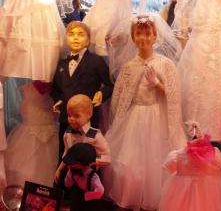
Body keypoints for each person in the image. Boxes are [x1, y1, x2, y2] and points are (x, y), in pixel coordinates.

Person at [103, 14, 186, 211]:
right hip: (134, 118)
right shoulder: (129, 66)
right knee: (131, 161)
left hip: (156, 117)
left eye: (147, 34)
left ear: (155, 36)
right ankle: (131, 196)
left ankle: (152, 198)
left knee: (154, 162)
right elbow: (120, 96)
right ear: (133, 37)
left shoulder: (165, 64)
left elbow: (174, 95)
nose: (143, 38)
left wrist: (157, 84)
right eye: (138, 34)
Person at [173, 0, 221, 138]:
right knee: (196, 89)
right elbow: (183, 18)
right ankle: (193, 133)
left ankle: (215, 136)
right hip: (201, 47)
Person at [51, 21, 113, 163]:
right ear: (66, 38)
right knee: (65, 154)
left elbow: (110, 84)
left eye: (80, 34)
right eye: (71, 34)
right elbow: (55, 88)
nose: (76, 38)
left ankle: (91, 182)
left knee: (88, 155)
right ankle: (63, 183)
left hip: (88, 119)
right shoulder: (61, 64)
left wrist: (102, 94)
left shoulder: (96, 61)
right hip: (67, 119)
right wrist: (58, 100)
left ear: (88, 40)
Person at [158, 134, 221, 211]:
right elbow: (220, 168)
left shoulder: (177, 155)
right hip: (206, 190)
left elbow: (170, 168)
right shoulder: (214, 153)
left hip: (182, 189)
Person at [5, 82, 58, 187]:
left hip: (50, 134)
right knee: (25, 169)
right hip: (28, 135)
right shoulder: (27, 89)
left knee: (48, 167)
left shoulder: (57, 88)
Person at [54, 94, 110, 184]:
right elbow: (67, 153)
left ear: (89, 115)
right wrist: (60, 169)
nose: (71, 119)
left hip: (90, 177)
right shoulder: (68, 133)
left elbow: (106, 157)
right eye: (69, 115)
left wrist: (92, 161)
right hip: (71, 176)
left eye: (77, 116)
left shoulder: (95, 135)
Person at [63, 143, 104, 211]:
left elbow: (100, 191)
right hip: (76, 201)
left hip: (89, 203)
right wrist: (70, 173)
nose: (70, 165)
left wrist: (86, 196)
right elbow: (67, 184)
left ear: (86, 163)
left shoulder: (92, 176)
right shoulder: (72, 171)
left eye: (74, 164)